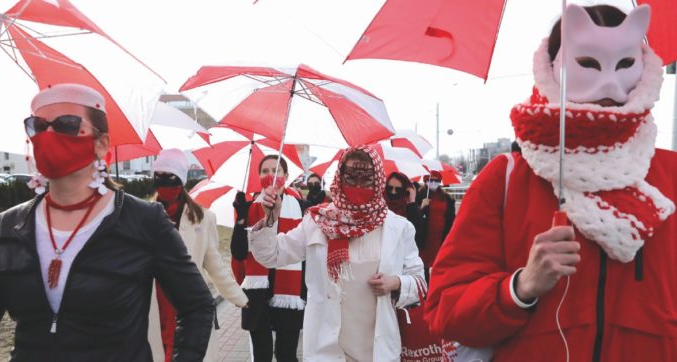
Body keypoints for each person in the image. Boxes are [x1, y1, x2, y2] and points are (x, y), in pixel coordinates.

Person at [425, 4, 677, 361]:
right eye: (587, 62)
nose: (608, 81)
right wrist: (521, 287)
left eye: (624, 62)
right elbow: (446, 310)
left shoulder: (671, 176)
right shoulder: (508, 178)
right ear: (553, 68)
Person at [0, 83, 215, 361]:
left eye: (66, 125)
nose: (47, 135)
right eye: (37, 126)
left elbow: (198, 306)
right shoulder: (8, 227)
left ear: (101, 143)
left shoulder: (144, 220)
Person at [249, 145, 425, 361]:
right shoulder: (317, 222)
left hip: (378, 351)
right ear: (340, 178)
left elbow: (420, 283)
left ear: (378, 180)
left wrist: (396, 283)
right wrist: (270, 219)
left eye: (366, 178)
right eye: (351, 177)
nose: (358, 184)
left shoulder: (399, 228)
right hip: (326, 350)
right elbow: (271, 255)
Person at [146, 149, 248, 362]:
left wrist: (240, 299)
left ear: (181, 181)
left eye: (170, 177)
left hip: (189, 304)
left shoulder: (202, 218)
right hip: (153, 305)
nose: (164, 183)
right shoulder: (142, 215)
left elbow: (215, 265)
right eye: (158, 177)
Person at [231, 155, 307, 362]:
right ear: (258, 176)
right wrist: (241, 219)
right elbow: (238, 253)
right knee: (262, 355)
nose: (271, 175)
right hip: (257, 293)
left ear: (286, 176)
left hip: (290, 292)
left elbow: (306, 252)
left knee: (286, 354)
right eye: (265, 171)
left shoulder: (301, 206)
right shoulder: (248, 204)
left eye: (276, 170)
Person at [416, 170, 455, 283]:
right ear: (426, 181)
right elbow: (414, 216)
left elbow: (451, 218)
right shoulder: (420, 195)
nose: (433, 182)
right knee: (423, 264)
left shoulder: (447, 198)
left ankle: (438, 285)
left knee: (440, 263)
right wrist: (422, 206)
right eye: (430, 180)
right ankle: (424, 288)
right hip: (425, 236)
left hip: (440, 237)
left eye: (436, 180)